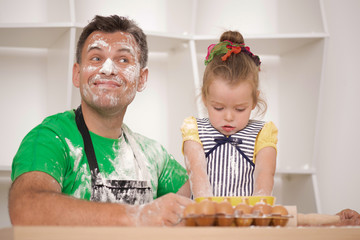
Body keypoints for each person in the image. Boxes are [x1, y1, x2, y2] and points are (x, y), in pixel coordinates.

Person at [9, 15, 192, 226]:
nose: (108, 69)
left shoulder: (153, 155)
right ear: (77, 74)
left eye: (123, 60)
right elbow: (27, 210)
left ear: (141, 79)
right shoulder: (52, 138)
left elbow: (200, 202)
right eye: (96, 58)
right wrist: (137, 216)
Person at [181, 30, 277, 199]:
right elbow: (197, 170)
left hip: (245, 219)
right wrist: (207, 206)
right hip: (203, 217)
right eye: (218, 108)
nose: (229, 117)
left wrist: (259, 207)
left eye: (240, 109)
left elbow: (264, 174)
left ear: (254, 101)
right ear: (205, 97)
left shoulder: (263, 133)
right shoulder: (194, 129)